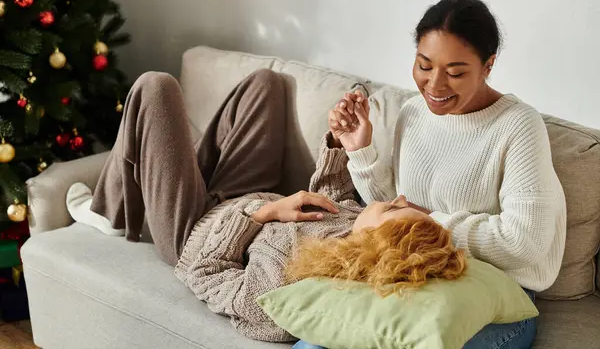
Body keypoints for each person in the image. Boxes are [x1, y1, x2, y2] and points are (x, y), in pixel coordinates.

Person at [66, 68, 466, 342]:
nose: (396, 198)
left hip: (193, 228)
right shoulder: (353, 228)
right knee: (267, 83)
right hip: (244, 191)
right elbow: (331, 196)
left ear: (378, 240)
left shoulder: (291, 285)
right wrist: (340, 141)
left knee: (156, 87)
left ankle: (109, 211)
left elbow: (202, 272)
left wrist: (261, 215)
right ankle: (188, 171)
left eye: (396, 208)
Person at [295, 0, 567, 349]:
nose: (435, 86)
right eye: (424, 66)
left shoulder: (518, 126)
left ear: (488, 66)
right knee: (314, 342)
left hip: (495, 297)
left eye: (455, 73)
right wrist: (359, 149)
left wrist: (428, 222)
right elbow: (391, 210)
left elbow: (524, 243)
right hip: (413, 273)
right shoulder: (413, 112)